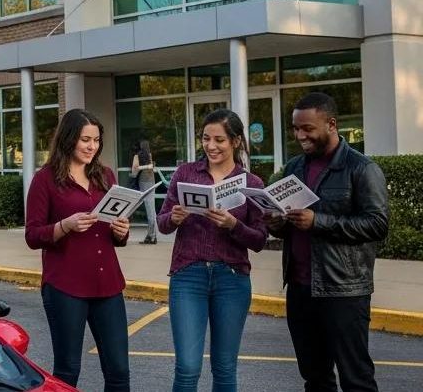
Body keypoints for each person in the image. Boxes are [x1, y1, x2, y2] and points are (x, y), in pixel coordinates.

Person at [265, 92, 388, 392]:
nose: (300, 136)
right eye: (296, 128)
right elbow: (292, 224)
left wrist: (318, 221)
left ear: (331, 124)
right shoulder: (294, 168)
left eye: (307, 128)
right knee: (315, 377)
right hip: (300, 288)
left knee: (356, 379)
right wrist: (277, 224)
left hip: (343, 289)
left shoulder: (361, 168)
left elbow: (377, 224)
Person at [157, 108, 266, 392]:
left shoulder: (251, 183)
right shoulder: (185, 173)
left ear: (236, 141)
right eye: (206, 138)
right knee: (187, 367)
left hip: (232, 278)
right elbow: (162, 223)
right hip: (188, 275)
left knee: (225, 367)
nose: (211, 146)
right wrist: (174, 218)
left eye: (219, 140)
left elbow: (259, 240)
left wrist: (233, 225)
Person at [25, 109, 130, 391]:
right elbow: (32, 235)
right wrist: (65, 225)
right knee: (68, 369)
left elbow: (113, 234)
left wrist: (121, 231)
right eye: (85, 140)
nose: (92, 146)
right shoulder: (45, 179)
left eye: (96, 140)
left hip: (108, 284)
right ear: (69, 139)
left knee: (119, 370)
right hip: (65, 287)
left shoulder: (105, 176)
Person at [131, 139, 157, 244]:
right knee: (151, 209)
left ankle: (152, 236)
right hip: (151, 180)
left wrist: (144, 168)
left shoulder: (137, 156)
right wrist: (149, 167)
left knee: (149, 209)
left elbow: (134, 169)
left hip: (143, 181)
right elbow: (151, 168)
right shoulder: (149, 155)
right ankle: (152, 235)